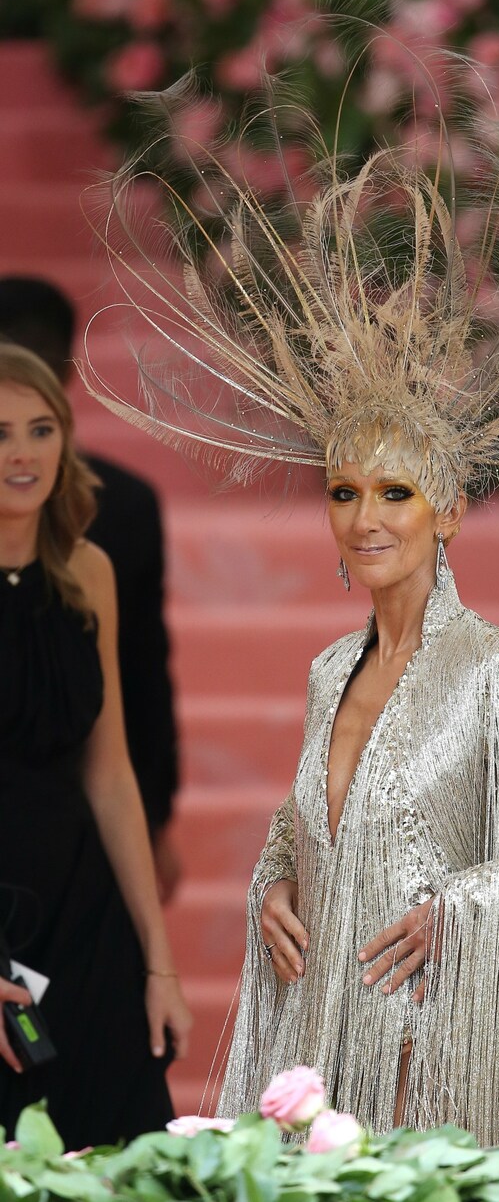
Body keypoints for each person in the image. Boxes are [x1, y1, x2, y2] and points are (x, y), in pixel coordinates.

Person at [80, 58, 499, 1142]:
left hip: (443, 1056)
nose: (363, 518)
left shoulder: (498, 671)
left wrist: (460, 911)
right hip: (329, 1058)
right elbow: (320, 825)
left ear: (449, 509)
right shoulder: (332, 668)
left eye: (394, 492)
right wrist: (274, 887)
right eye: (341, 490)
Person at [0, 343, 192, 1149]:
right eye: (0, 432)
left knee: (125, 1150)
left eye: (42, 429)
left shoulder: (91, 573)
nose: (22, 453)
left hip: (87, 917)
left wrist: (159, 962)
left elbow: (111, 773)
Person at [0, 276, 181, 902]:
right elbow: (147, 672)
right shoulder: (129, 502)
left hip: (83, 842)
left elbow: (140, 672)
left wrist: (150, 818)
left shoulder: (120, 517)